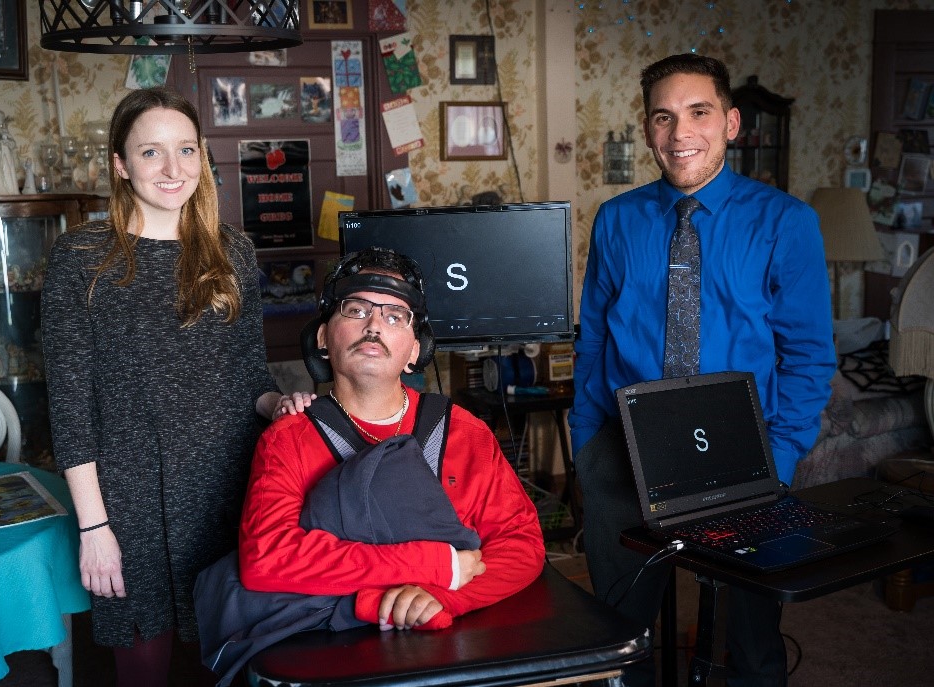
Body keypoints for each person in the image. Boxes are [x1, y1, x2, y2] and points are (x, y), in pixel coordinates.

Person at [569, 54, 836, 687]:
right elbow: (594, 341)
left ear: (732, 122)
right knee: (619, 631)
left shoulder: (786, 223)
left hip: (745, 452)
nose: (680, 132)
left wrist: (783, 454)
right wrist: (586, 445)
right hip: (626, 445)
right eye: (664, 116)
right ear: (647, 129)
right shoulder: (617, 221)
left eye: (699, 112)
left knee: (752, 637)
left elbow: (808, 356)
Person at [41, 86, 314, 687]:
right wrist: (94, 529)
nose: (173, 170)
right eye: (151, 153)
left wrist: (281, 404)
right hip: (129, 504)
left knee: (240, 663)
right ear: (120, 164)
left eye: (186, 150)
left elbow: (250, 379)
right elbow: (69, 406)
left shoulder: (233, 251)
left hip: (230, 490)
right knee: (145, 671)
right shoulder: (82, 257)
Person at [237, 247, 546, 638]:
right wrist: (434, 565)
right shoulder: (287, 439)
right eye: (356, 310)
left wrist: (441, 597)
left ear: (416, 350)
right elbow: (266, 559)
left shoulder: (465, 433)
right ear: (322, 338)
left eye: (394, 316)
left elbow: (521, 544)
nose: (374, 326)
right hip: (335, 649)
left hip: (457, 636)